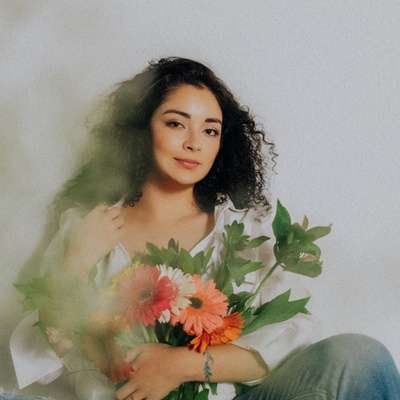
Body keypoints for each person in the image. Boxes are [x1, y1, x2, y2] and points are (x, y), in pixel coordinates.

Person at [9, 57, 400, 400]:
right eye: (176, 124)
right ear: (141, 131)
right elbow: (43, 350)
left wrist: (181, 365)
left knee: (359, 357)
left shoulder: (245, 231)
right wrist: (75, 263)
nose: (194, 143)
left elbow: (289, 336)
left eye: (210, 130)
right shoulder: (89, 228)